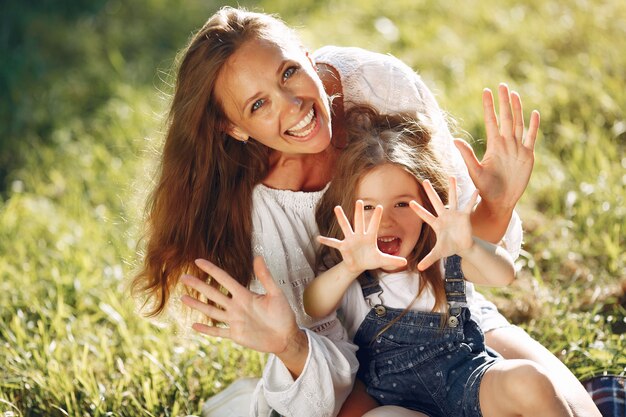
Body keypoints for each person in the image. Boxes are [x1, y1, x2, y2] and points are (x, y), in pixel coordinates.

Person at [131, 6, 600, 417]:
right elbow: (321, 334)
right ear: (233, 128)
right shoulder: (255, 211)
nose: (293, 106)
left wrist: (496, 202)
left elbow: (460, 255)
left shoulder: (377, 84)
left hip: (453, 333)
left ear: (307, 54)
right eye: (259, 104)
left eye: (289, 72)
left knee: (571, 407)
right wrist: (290, 344)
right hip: (356, 375)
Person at [303, 107, 574, 417]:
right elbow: (313, 304)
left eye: (403, 204)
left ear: (429, 205)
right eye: (368, 208)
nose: (386, 220)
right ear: (348, 212)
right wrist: (349, 267)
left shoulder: (444, 254)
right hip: (400, 404)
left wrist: (469, 245)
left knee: (531, 380)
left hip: (470, 385)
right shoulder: (349, 269)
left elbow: (504, 274)